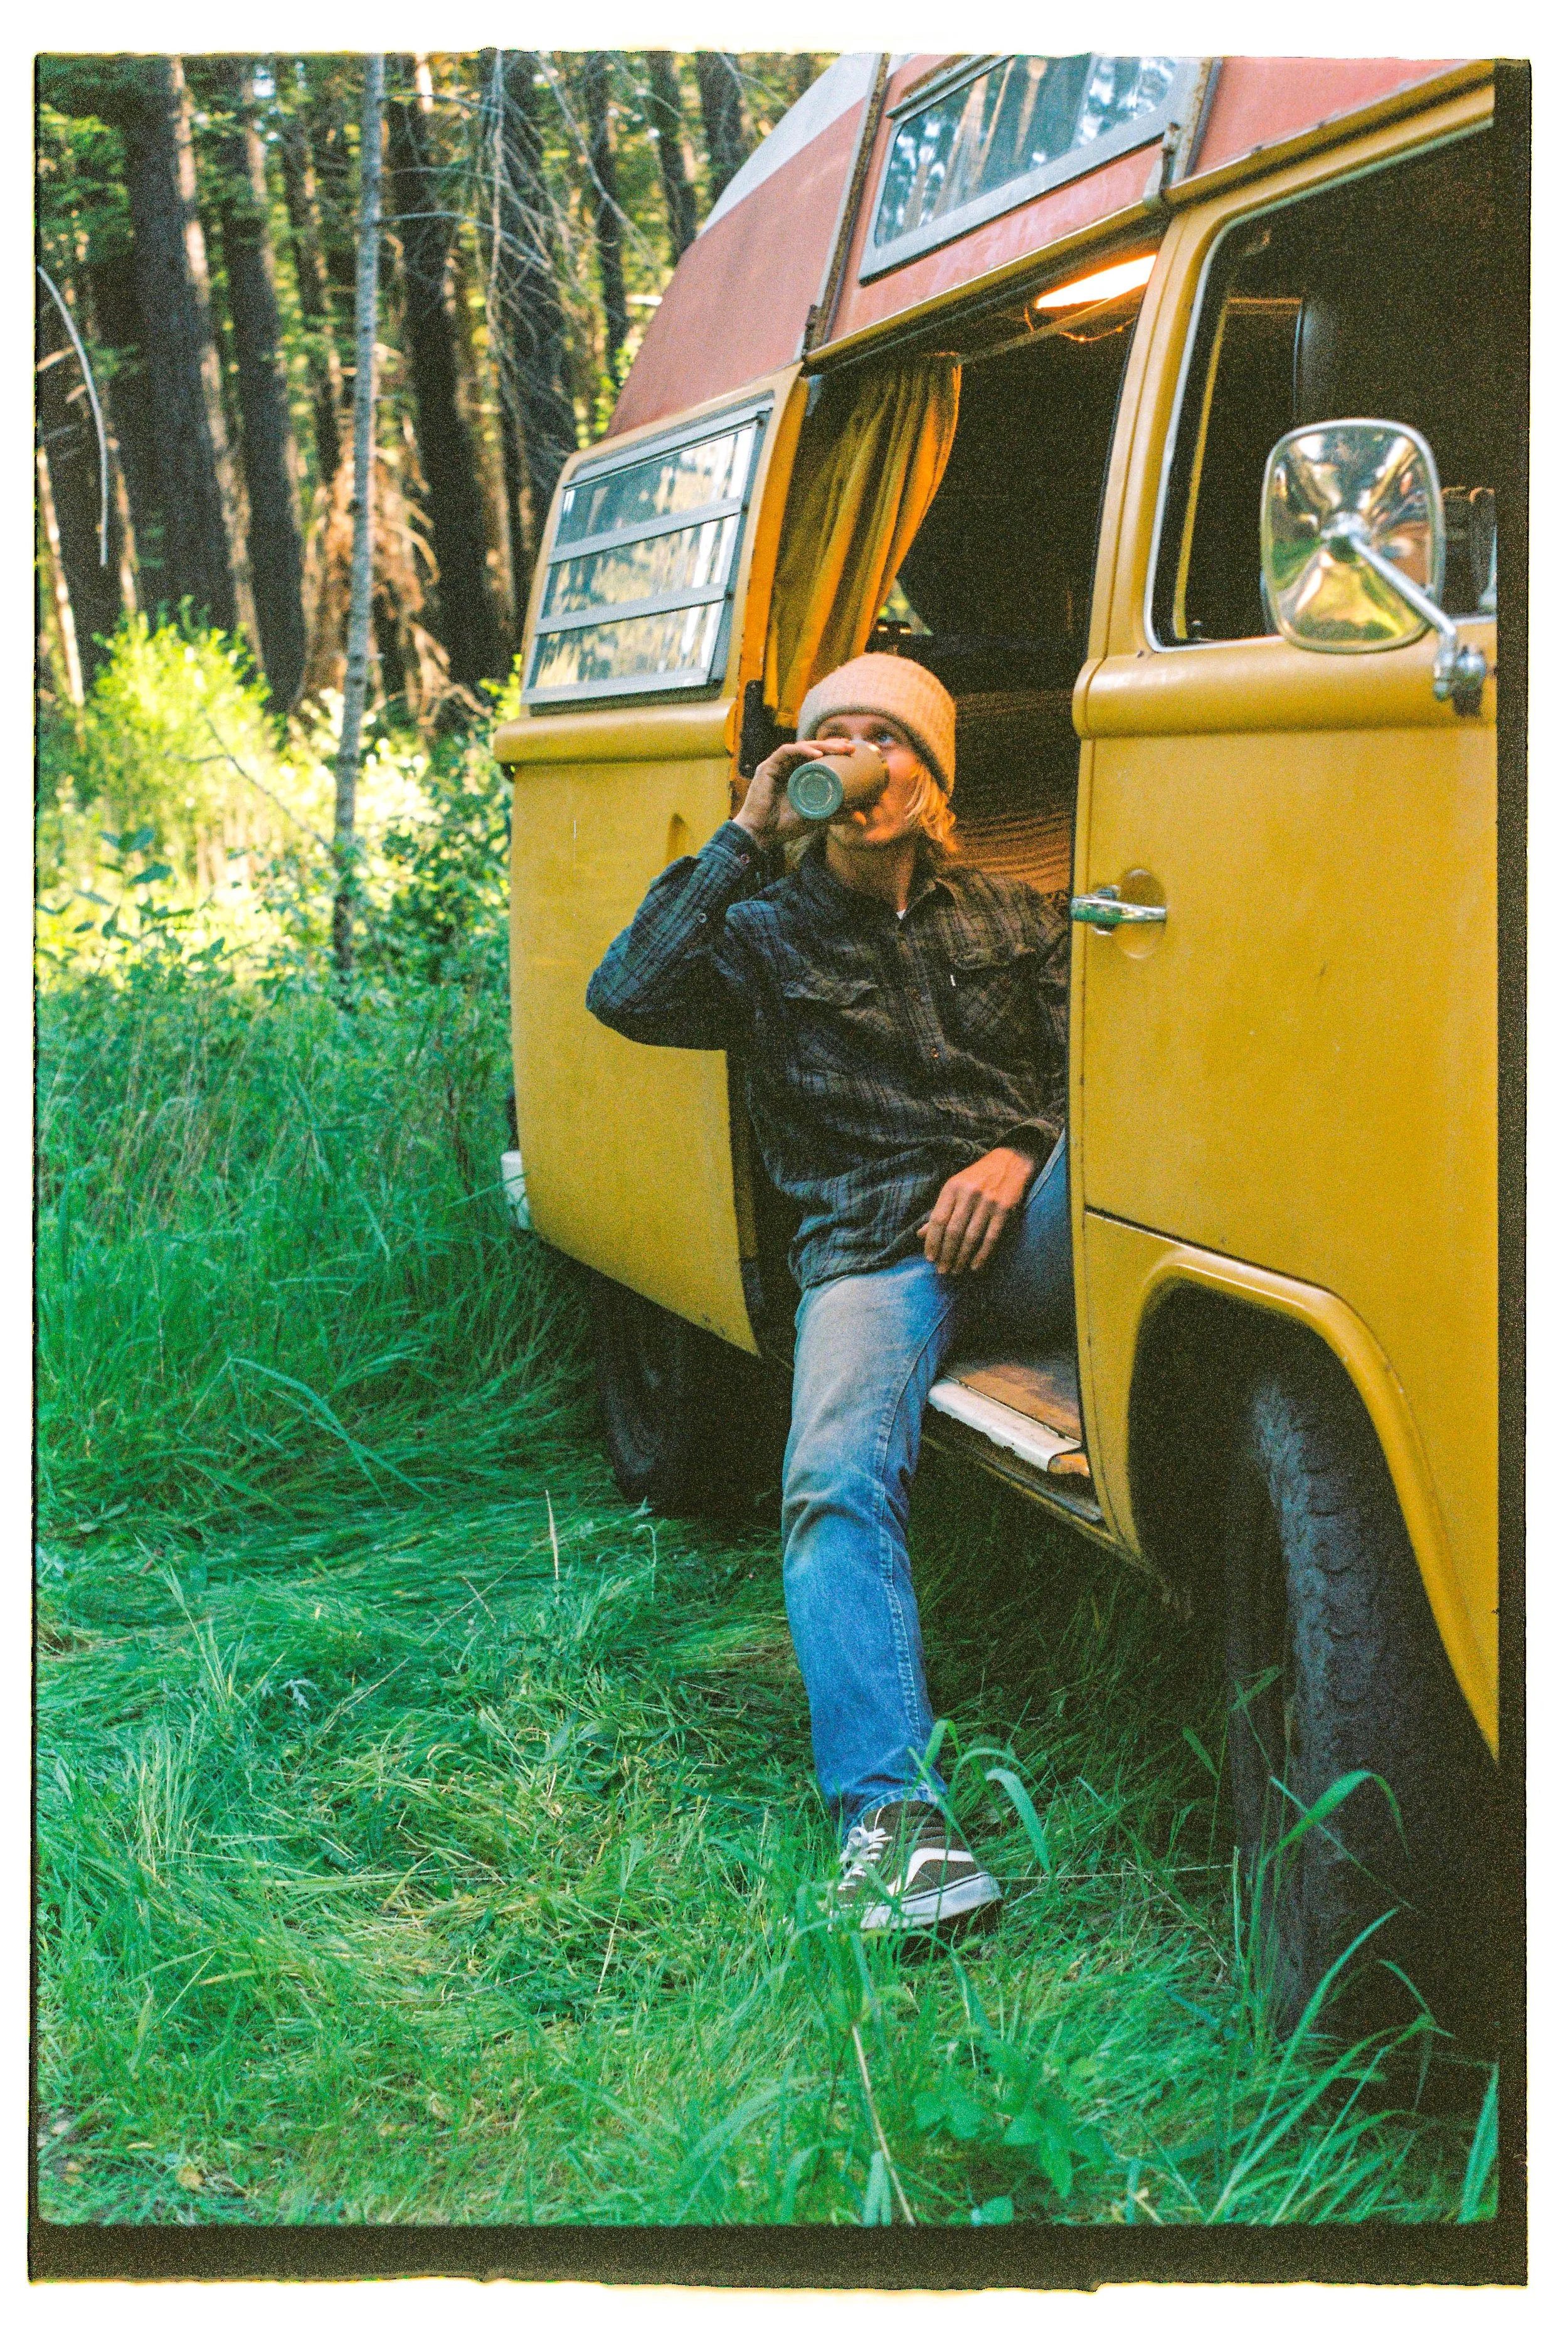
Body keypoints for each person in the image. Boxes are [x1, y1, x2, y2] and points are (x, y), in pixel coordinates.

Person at [586, 653, 1072, 1933]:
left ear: (932, 776)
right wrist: (749, 831)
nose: (858, 758)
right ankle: (894, 1827)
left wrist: (1019, 1152)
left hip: (1030, 1225)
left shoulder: (1013, 914)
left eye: (886, 738)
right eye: (831, 737)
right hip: (872, 1256)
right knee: (828, 1482)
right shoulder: (759, 934)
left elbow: (1107, 1069)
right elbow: (625, 993)